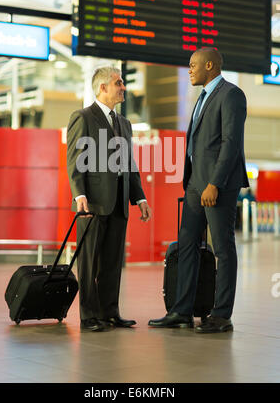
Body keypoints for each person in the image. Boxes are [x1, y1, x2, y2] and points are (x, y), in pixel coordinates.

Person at [148, 47, 249, 333]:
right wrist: (196, 181)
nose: (189, 69)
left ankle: (221, 314)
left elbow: (231, 144)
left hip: (217, 185)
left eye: (193, 65)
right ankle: (181, 310)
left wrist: (214, 183)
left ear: (210, 65)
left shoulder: (231, 95)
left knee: (223, 247)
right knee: (187, 245)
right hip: (194, 184)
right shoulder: (203, 97)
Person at [67, 66, 151, 332]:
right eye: (118, 83)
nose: (123, 87)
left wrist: (140, 198)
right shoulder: (83, 117)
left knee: (113, 262)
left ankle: (110, 312)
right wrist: (79, 194)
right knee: (89, 262)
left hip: (118, 202)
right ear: (102, 87)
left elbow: (130, 164)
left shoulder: (124, 124)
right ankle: (89, 316)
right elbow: (76, 159)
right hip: (92, 203)